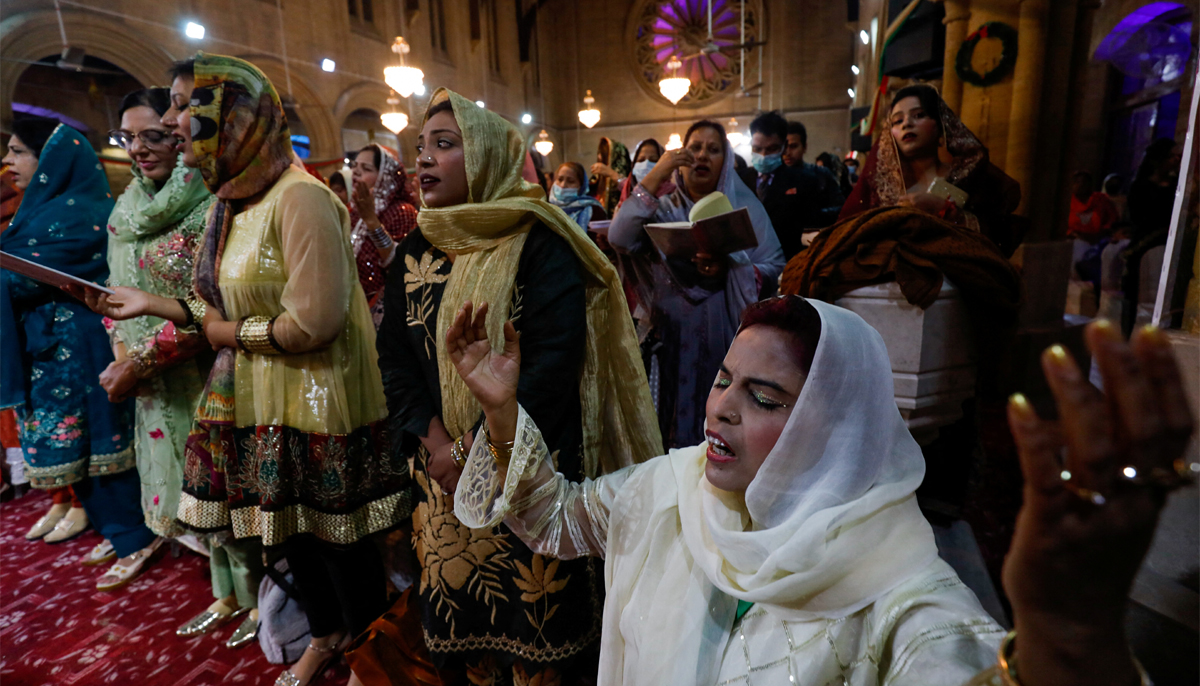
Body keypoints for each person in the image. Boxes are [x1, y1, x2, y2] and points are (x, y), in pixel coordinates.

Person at [444, 293, 1194, 686]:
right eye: (720, 380)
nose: (721, 408)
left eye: (765, 398)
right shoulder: (672, 487)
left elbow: (948, 663)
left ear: (828, 428)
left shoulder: (894, 585)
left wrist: (1067, 642)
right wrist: (501, 412)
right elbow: (561, 523)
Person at [85, 54, 409, 686]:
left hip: (320, 403)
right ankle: (326, 634)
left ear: (230, 115)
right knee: (288, 539)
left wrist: (224, 333)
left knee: (340, 545)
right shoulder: (231, 200)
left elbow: (312, 324)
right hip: (259, 399)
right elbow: (218, 304)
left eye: (184, 105)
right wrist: (151, 304)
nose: (175, 121)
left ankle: (375, 657)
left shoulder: (303, 199)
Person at [374, 88, 660, 684]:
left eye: (444, 146)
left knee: (537, 646)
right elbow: (396, 361)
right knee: (464, 645)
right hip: (440, 481)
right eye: (421, 147)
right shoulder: (413, 250)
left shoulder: (540, 243)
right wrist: (435, 446)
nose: (422, 159)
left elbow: (551, 371)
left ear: (487, 158)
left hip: (527, 474)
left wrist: (467, 452)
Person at [1, 117, 162, 590]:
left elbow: (28, 275)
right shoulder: (34, 211)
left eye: (17, 151)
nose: (8, 162)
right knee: (75, 452)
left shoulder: (81, 213)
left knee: (101, 446)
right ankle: (115, 529)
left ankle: (136, 534)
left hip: (82, 346)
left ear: (50, 161)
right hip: (49, 348)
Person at [609, 118, 784, 448]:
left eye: (714, 150)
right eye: (694, 148)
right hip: (667, 337)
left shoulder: (747, 208)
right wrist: (657, 172)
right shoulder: (660, 209)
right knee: (664, 429)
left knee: (714, 427)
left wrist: (729, 266)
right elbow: (619, 237)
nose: (702, 156)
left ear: (727, 163)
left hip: (721, 336)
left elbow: (774, 265)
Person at [838, 84, 1024, 257]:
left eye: (918, 115)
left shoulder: (969, 176)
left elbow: (998, 235)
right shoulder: (880, 188)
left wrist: (945, 211)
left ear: (941, 126)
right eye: (897, 121)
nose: (906, 124)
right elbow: (849, 235)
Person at [750, 112, 844, 259]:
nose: (763, 156)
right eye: (757, 149)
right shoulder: (740, 178)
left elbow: (812, 226)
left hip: (787, 259)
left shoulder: (809, 179)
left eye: (771, 149)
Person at [348, 143, 419, 325]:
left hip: (385, 315)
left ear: (384, 176)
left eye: (366, 168)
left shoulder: (402, 211)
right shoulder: (353, 212)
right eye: (355, 166)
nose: (356, 172)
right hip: (352, 309)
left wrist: (372, 221)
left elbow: (401, 266)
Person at [548, 161, 606, 231]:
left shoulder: (595, 212)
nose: (563, 185)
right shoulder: (545, 208)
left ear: (581, 187)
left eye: (571, 181)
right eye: (560, 179)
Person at [1066, 171, 1118, 241]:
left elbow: (1113, 219)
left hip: (1099, 240)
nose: (1081, 185)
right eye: (1077, 182)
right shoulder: (1067, 201)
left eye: (1084, 182)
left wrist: (1103, 232)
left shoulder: (1101, 199)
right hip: (1073, 240)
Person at [617, 138, 666, 209]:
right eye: (641, 160)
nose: (646, 164)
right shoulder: (627, 192)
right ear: (633, 166)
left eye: (653, 160)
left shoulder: (673, 197)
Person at [590, 136, 631, 217]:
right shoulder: (593, 184)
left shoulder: (627, 184)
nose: (599, 157)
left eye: (603, 155)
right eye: (599, 154)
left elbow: (632, 191)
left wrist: (612, 174)